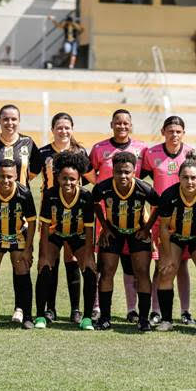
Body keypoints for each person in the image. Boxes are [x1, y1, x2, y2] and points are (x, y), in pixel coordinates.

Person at [88, 109, 149, 321]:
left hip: (135, 218)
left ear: (131, 125)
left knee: (133, 266)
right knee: (105, 267)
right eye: (118, 123)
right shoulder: (99, 148)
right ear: (111, 124)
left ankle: (134, 310)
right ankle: (99, 309)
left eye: (126, 123)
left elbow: (150, 179)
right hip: (108, 218)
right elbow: (89, 175)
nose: (122, 126)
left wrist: (147, 225)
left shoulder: (143, 148)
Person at [92, 151, 160, 332]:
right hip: (113, 232)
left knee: (142, 273)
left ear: (134, 171)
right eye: (119, 172)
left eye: (127, 172)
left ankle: (144, 319)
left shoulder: (143, 188)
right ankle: (105, 318)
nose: (123, 176)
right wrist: (105, 227)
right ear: (113, 171)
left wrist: (147, 229)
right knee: (106, 273)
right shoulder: (103, 187)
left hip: (137, 232)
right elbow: (95, 202)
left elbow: (158, 205)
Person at [156, 152, 196, 333]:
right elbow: (163, 228)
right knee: (167, 272)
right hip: (175, 236)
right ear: (179, 178)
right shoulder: (169, 195)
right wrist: (167, 256)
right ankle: (166, 320)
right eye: (185, 177)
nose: (190, 182)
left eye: (194, 177)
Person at [141, 116, 195, 326]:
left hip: (186, 218)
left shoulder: (190, 153)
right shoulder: (151, 153)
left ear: (183, 133)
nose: (174, 135)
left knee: (182, 265)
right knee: (161, 264)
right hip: (161, 218)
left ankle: (185, 311)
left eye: (178, 131)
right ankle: (156, 310)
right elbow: (140, 179)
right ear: (163, 131)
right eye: (170, 131)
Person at [35, 151, 97, 330]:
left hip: (78, 236)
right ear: (57, 178)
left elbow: (89, 228)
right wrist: (43, 256)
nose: (68, 183)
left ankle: (86, 318)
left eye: (72, 179)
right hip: (56, 234)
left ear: (79, 179)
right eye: (64, 178)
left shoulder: (86, 197)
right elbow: (45, 228)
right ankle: (41, 315)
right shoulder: (50, 195)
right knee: (45, 267)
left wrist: (89, 256)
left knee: (90, 271)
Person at [38, 112, 89, 323]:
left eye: (67, 127)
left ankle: (75, 310)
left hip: (73, 212)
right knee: (51, 259)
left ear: (72, 129)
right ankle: (50, 308)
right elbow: (25, 175)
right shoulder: (43, 152)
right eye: (59, 127)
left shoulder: (80, 152)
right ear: (52, 130)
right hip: (50, 212)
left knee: (72, 258)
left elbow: (88, 180)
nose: (63, 131)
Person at [0, 159, 37, 329]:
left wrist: (28, 248)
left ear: (16, 175)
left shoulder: (24, 193)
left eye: (10, 176)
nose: (5, 180)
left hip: (17, 236)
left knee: (22, 269)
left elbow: (32, 222)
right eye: (2, 176)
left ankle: (27, 316)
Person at [0, 104, 42, 188]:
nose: (10, 123)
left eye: (14, 119)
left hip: (21, 196)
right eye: (6, 119)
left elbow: (37, 164)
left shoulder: (28, 142)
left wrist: (24, 178)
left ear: (19, 121)